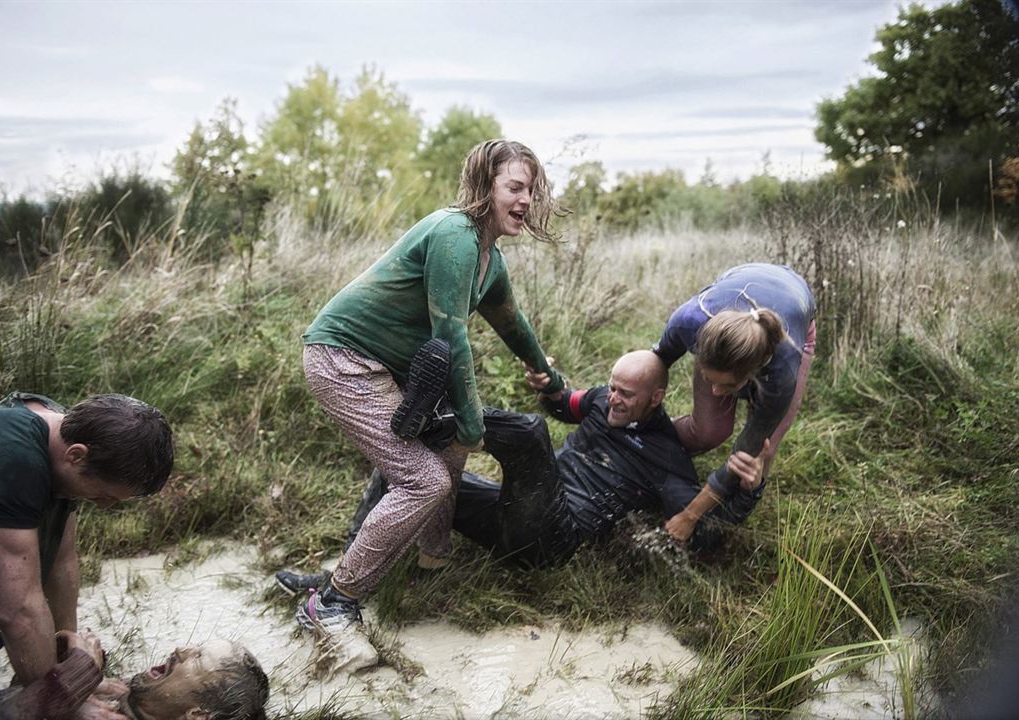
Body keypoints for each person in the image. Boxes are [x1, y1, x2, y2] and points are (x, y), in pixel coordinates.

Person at [296, 140, 565, 644]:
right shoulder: (455, 234)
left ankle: (428, 564)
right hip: (343, 360)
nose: (526, 199)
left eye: (531, 189)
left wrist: (547, 374)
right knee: (423, 480)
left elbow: (513, 324)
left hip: (387, 367)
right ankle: (332, 601)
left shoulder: (489, 258)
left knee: (448, 458)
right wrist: (472, 423)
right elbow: (450, 336)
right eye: (514, 187)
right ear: (485, 187)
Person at [277, 351, 765, 583]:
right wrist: (548, 386)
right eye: (612, 387)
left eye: (626, 394)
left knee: (529, 434)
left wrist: (747, 490)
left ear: (656, 399)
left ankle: (438, 413)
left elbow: (702, 528)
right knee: (408, 472)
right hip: (511, 513)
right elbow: (564, 405)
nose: (613, 398)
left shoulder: (667, 458)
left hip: (553, 537)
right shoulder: (599, 400)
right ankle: (339, 575)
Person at [0, 392, 174, 701]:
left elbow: (62, 559)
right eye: (103, 495)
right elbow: (19, 609)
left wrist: (70, 658)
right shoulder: (14, 456)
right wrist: (64, 701)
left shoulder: (61, 432)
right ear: (75, 455)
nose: (104, 506)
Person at [651, 263, 816, 543]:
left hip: (794, 313)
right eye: (709, 378)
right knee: (708, 431)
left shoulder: (781, 371)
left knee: (764, 450)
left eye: (727, 385)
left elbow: (746, 454)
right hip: (739, 285)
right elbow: (653, 364)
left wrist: (690, 516)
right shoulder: (688, 321)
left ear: (752, 375)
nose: (716, 391)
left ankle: (740, 504)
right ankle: (658, 459)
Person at [0, 631, 269, 720]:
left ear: (197, 715)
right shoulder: (114, 693)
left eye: (198, 659)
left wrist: (67, 689)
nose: (181, 649)